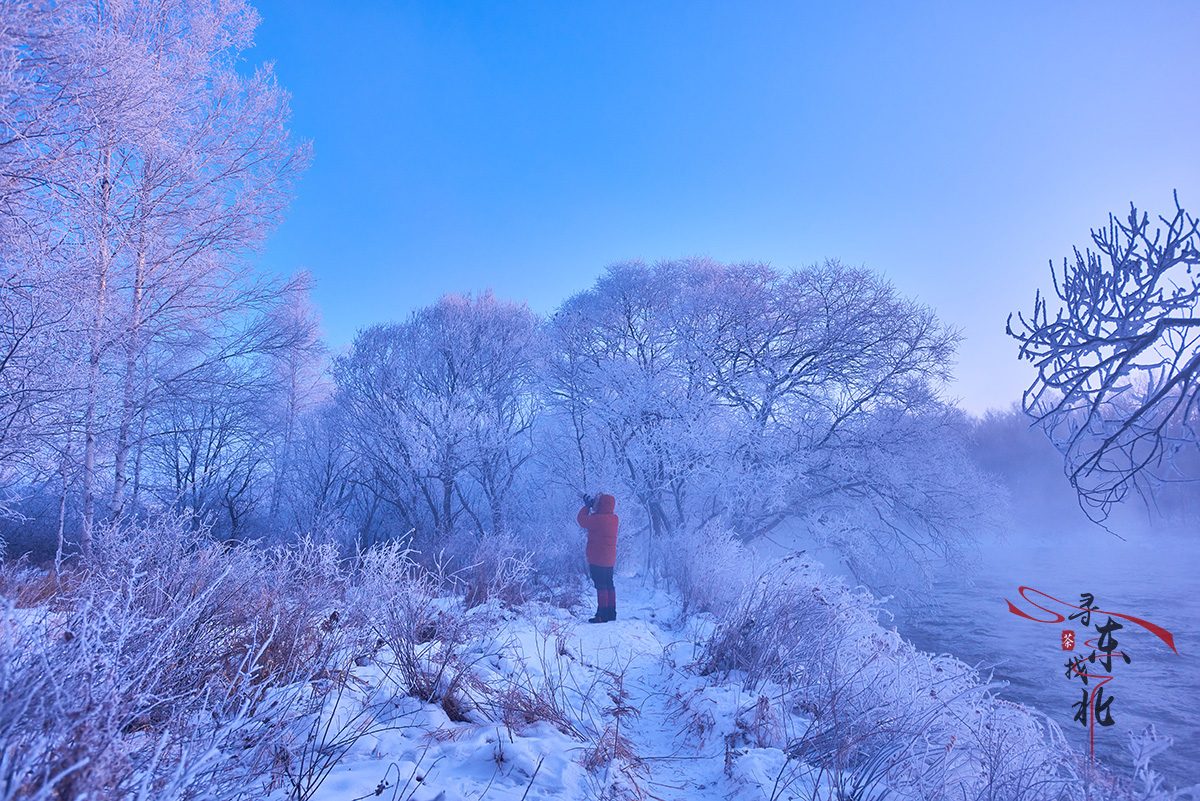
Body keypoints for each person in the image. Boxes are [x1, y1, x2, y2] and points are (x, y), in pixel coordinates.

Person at [578, 493, 618, 623]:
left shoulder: (599, 519)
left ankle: (601, 615)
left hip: (598, 558)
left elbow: (582, 520)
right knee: (609, 585)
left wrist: (587, 507)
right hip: (609, 559)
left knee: (601, 586)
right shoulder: (614, 518)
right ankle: (611, 613)